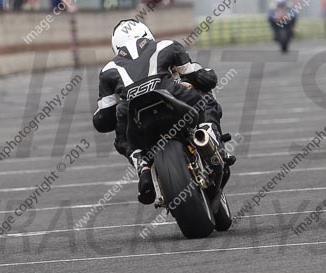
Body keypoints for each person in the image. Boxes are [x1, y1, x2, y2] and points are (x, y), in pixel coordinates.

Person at [92, 20, 233, 205]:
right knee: (205, 95)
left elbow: (103, 121)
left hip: (137, 115)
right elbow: (201, 77)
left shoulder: (108, 71)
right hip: (171, 95)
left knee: (121, 125)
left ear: (116, 46)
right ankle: (208, 139)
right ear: (146, 34)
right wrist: (207, 73)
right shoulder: (166, 45)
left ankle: (142, 166)